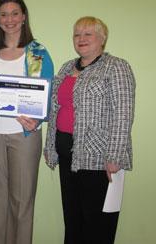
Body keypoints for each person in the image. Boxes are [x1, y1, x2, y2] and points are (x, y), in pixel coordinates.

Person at [44, 16, 136, 244]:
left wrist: (114, 156)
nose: (81, 39)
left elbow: (123, 114)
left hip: (98, 159)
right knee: (72, 219)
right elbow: (55, 110)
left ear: (102, 38)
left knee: (97, 224)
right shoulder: (67, 67)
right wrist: (50, 146)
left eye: (88, 34)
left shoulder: (116, 66)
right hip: (67, 155)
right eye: (77, 34)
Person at [0, 0, 54, 244]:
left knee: (22, 202)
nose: (9, 19)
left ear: (23, 17)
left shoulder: (38, 52)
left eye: (14, 13)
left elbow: (48, 94)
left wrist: (38, 120)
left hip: (24, 135)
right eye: (3, 14)